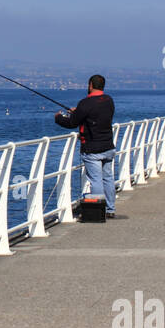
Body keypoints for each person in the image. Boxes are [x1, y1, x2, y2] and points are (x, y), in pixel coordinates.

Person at [54, 74, 117, 219]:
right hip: (108, 146)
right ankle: (110, 209)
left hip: (92, 149)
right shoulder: (109, 100)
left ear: (90, 85)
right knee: (108, 178)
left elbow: (72, 123)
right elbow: (96, 115)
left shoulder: (85, 103)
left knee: (96, 180)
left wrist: (58, 118)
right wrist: (79, 112)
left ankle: (97, 212)